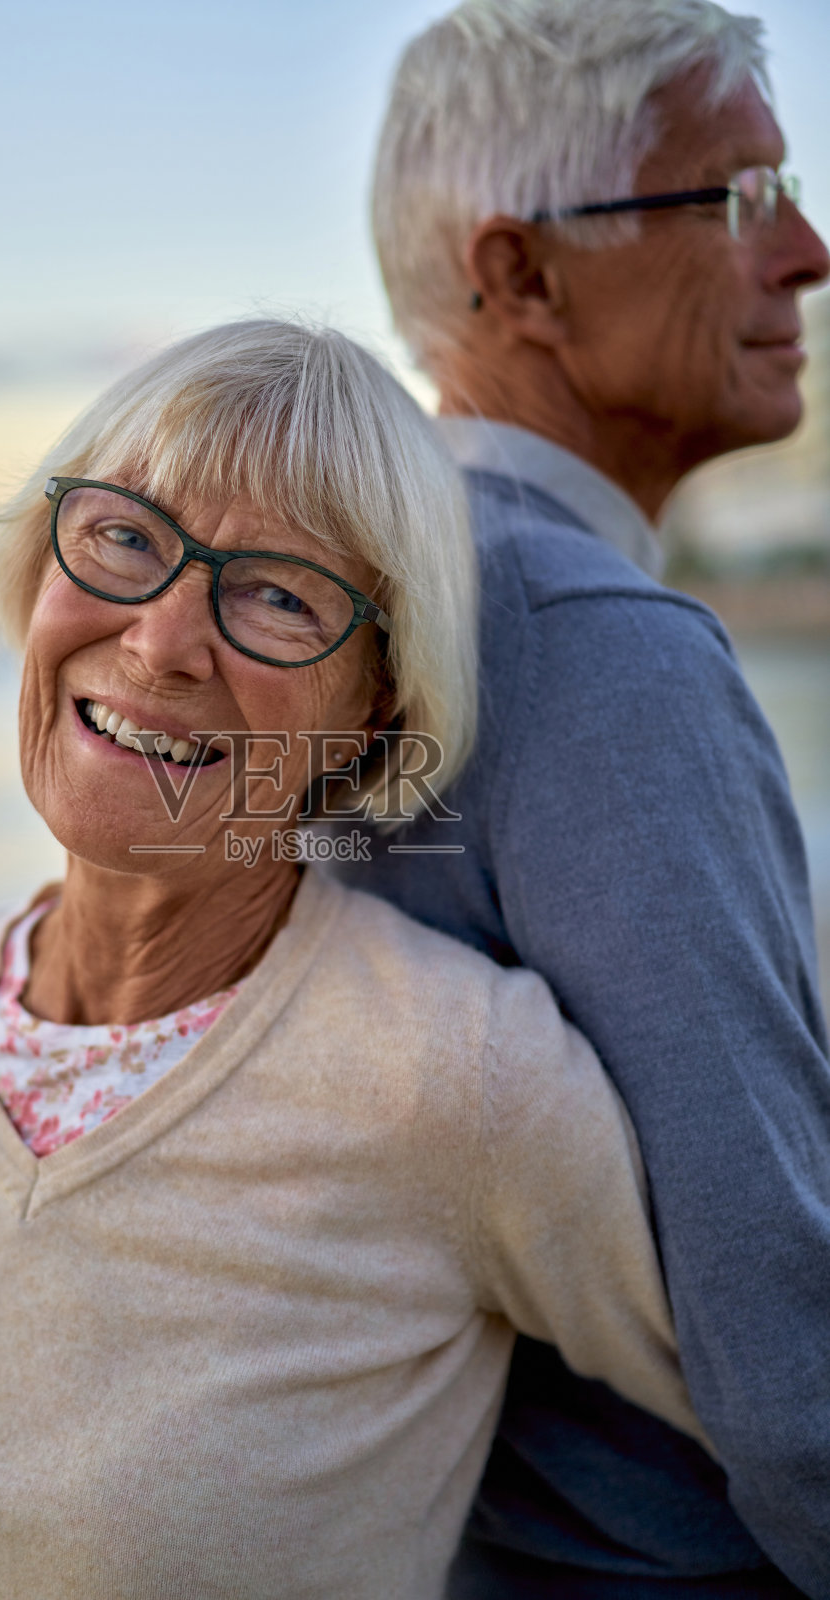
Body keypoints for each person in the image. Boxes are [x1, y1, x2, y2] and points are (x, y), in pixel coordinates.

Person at [0, 319, 704, 1599]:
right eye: (123, 536)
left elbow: (753, 1412)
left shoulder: (456, 1072)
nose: (163, 639)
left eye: (279, 594)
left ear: (374, 713)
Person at [353, 2, 830, 1595]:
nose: (808, 250)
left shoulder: (322, 598)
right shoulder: (595, 646)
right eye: (738, 199)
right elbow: (787, 1366)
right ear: (522, 278)